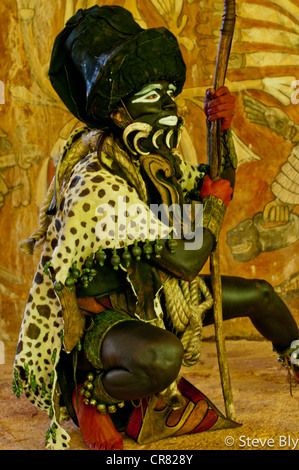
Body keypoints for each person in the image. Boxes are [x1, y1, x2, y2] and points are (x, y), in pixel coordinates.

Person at [13, 5, 299, 450]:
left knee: (262, 296)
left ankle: (297, 356)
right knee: (163, 356)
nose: (169, 106)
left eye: (169, 94)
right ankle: (90, 395)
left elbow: (211, 186)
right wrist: (213, 207)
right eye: (154, 97)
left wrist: (222, 128)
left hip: (159, 297)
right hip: (106, 324)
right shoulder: (96, 181)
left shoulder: (154, 166)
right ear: (120, 111)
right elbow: (187, 257)